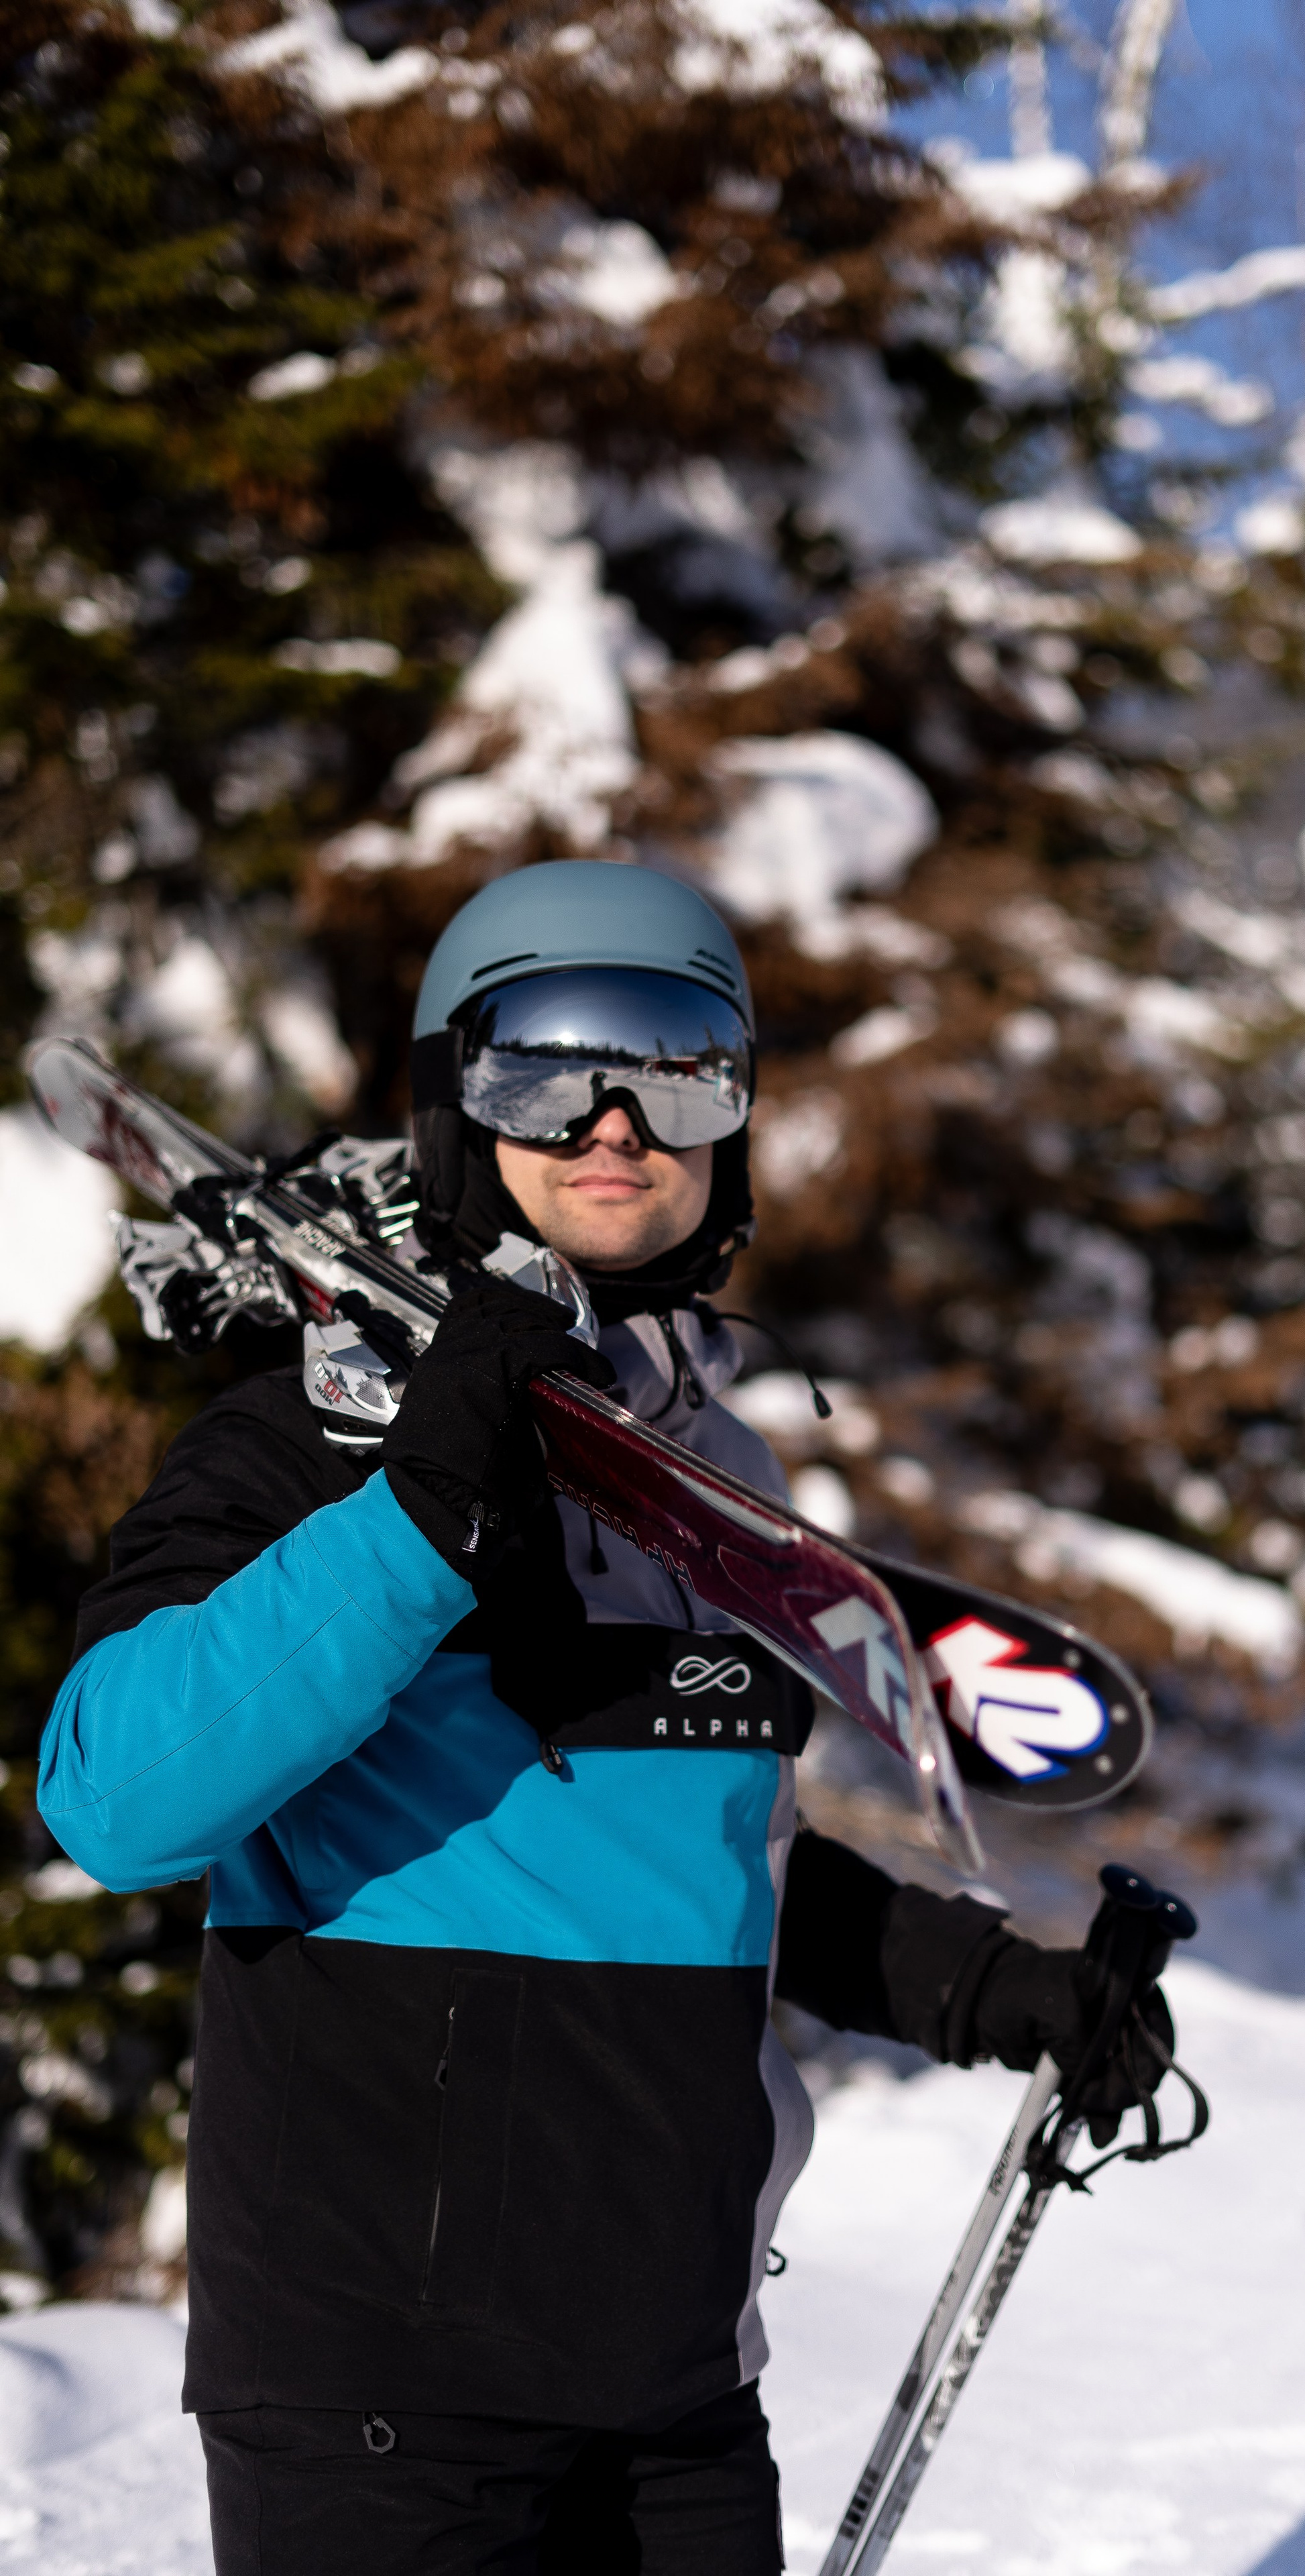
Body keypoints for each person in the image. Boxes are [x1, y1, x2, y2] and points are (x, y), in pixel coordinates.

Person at [39, 861, 1172, 2576]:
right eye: (540, 1069)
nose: (613, 1122)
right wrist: (421, 1515)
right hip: (377, 2401)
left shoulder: (728, 1492)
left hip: (674, 2382)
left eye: (678, 1064)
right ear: (449, 1103)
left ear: (734, 1124)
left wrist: (982, 1985)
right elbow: (115, 1799)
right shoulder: (295, 1455)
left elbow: (695, 1864)